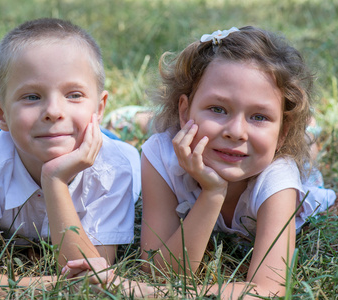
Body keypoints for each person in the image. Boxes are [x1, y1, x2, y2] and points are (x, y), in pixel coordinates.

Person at [0, 18, 141, 291]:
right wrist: (47, 283)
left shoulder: (114, 169)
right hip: (4, 137)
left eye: (74, 94)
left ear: (98, 108)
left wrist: (54, 182)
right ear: (2, 113)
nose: (53, 110)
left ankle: (128, 119)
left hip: (85, 137)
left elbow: (95, 269)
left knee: (93, 131)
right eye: (32, 96)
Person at [137, 26, 336, 298]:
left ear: (283, 132)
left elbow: (269, 289)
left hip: (303, 189)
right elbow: (159, 270)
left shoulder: (278, 178)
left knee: (305, 163)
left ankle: (309, 130)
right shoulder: (159, 155)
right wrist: (212, 193)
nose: (236, 131)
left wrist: (151, 294)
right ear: (184, 112)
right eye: (218, 109)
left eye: (259, 116)